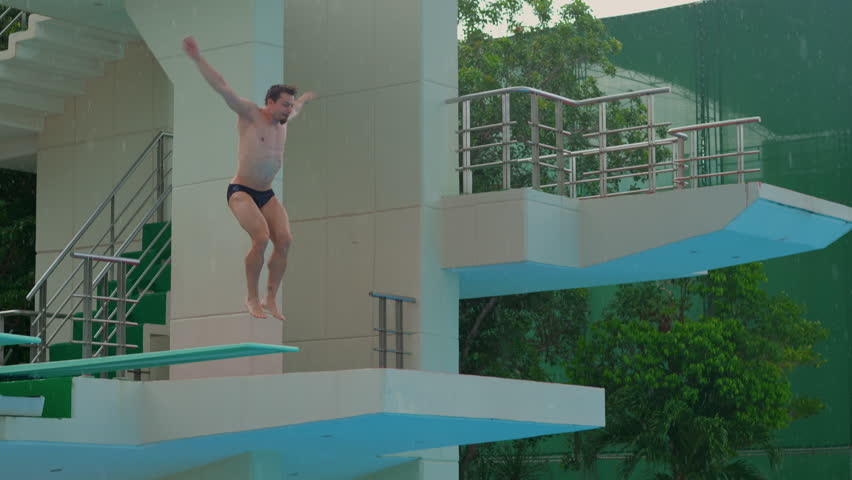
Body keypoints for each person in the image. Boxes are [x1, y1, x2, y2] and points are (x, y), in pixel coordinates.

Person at [182, 35, 314, 321]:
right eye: (285, 105)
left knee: (286, 240)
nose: (289, 110)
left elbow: (298, 110)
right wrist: (197, 58)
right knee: (262, 237)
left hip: (266, 194)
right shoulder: (250, 114)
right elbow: (222, 87)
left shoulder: (284, 121)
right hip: (241, 191)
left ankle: (270, 298)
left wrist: (302, 100)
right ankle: (251, 297)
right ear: (269, 102)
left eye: (291, 106)